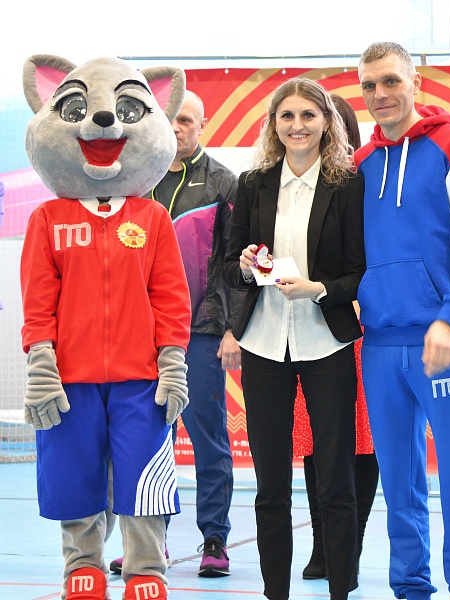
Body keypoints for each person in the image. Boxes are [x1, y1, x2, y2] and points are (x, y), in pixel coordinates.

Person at [354, 42, 450, 600]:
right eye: (369, 85)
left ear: (416, 82)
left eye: (391, 81)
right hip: (379, 344)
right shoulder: (362, 164)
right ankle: (410, 586)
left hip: (444, 339)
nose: (380, 94)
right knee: (399, 481)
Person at [222, 77, 365, 600]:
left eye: (308, 115)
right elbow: (231, 266)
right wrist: (244, 265)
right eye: (287, 116)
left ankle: (340, 590)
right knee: (271, 489)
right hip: (264, 345)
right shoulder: (253, 183)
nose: (298, 125)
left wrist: (318, 288)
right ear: (274, 124)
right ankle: (274, 593)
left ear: (326, 122)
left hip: (327, 343)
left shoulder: (347, 185)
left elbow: (360, 272)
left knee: (336, 482)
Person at [109, 90, 241, 578]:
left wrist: (232, 329)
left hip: (200, 332)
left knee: (208, 439)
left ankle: (215, 539)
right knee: (148, 441)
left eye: (186, 120)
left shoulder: (224, 182)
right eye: (170, 119)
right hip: (139, 337)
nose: (176, 127)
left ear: (203, 125)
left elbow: (234, 265)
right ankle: (151, 544)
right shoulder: (134, 182)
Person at [296, 94, 380, 581]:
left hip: (364, 325)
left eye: (324, 121)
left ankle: (349, 544)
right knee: (318, 439)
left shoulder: (364, 180)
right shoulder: (296, 184)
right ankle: (321, 543)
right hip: (315, 324)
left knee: (361, 440)